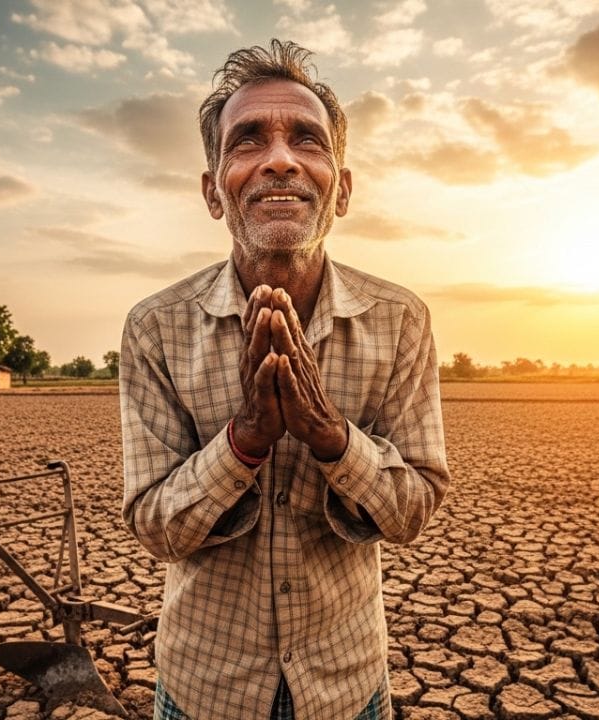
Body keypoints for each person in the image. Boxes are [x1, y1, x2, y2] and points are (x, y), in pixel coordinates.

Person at [119, 39, 450, 720]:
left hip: (346, 685)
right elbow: (155, 525)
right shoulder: (155, 327)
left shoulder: (400, 320)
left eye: (307, 138)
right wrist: (246, 440)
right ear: (214, 191)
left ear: (343, 189)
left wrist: (330, 437)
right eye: (247, 141)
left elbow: (414, 505)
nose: (279, 158)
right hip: (205, 688)